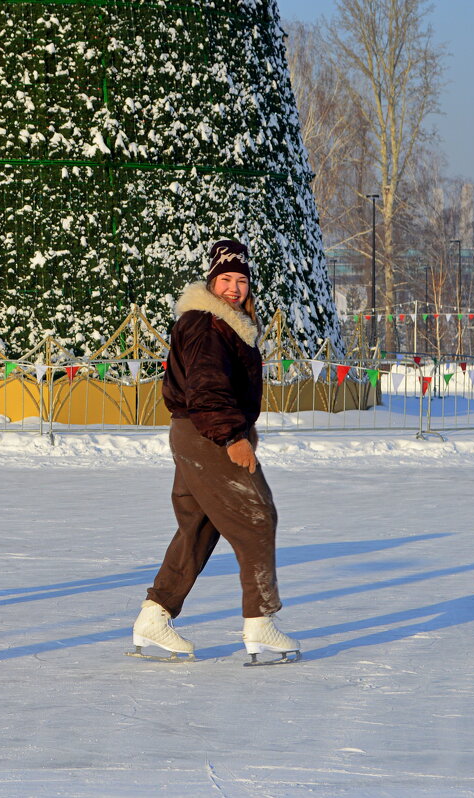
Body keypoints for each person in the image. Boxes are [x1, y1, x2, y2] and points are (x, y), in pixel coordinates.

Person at [130, 238, 300, 664]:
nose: (234, 288)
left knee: (200, 526)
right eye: (225, 279)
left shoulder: (225, 323)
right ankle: (260, 622)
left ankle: (154, 616)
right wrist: (232, 438)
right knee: (257, 516)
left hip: (194, 432)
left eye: (241, 280)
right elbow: (207, 389)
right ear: (211, 281)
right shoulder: (209, 324)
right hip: (208, 434)